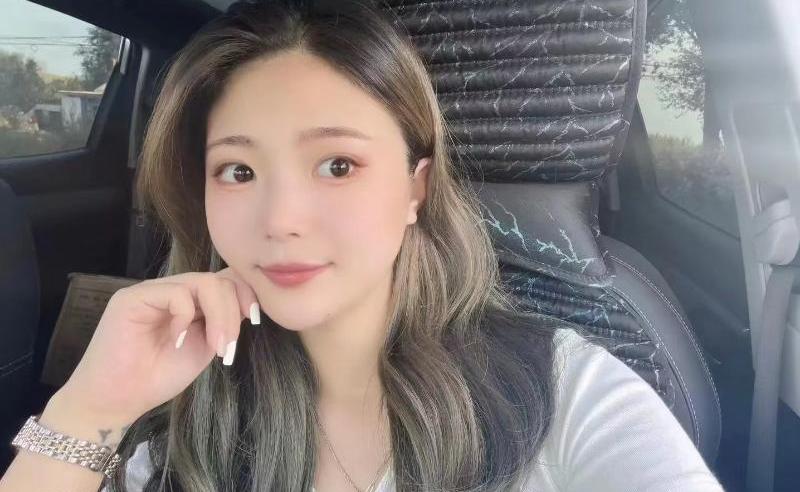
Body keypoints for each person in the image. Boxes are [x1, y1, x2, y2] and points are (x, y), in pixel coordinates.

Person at [0, 1, 725, 491]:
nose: (281, 219)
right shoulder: (187, 404)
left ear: (416, 188)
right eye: (238, 171)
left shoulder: (566, 394)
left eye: (338, 165)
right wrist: (87, 409)